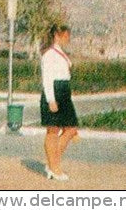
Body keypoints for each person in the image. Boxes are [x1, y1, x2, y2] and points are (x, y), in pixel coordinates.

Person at [40, 24, 78, 181]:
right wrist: (51, 100)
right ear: (57, 35)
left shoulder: (61, 53)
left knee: (71, 129)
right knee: (53, 130)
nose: (68, 38)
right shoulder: (49, 54)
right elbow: (47, 79)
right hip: (54, 91)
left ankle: (52, 162)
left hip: (64, 91)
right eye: (65, 35)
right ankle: (54, 168)